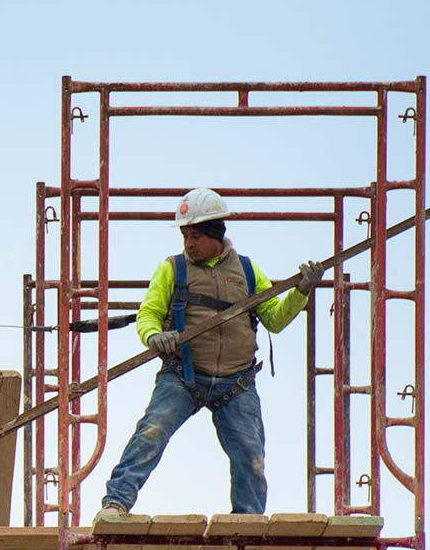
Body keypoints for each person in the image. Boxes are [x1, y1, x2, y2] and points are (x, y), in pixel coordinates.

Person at [97, 187, 327, 518]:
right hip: (183, 376)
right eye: (185, 236)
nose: (189, 244)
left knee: (250, 454)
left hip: (237, 384)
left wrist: (301, 291)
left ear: (216, 233)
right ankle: (115, 502)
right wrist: (154, 336)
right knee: (151, 433)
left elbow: (275, 319)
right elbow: (148, 313)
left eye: (197, 236)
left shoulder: (247, 272)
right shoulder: (172, 269)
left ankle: (248, 521)